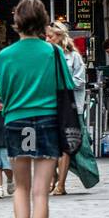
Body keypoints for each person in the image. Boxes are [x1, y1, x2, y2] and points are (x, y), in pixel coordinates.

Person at [0, 0, 72, 218]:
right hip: (48, 122)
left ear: (17, 23)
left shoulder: (5, 55)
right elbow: (66, 86)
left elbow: (3, 94)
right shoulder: (53, 53)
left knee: (21, 188)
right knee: (41, 192)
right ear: (42, 22)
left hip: (17, 122)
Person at [47, 22, 85, 196]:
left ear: (61, 36)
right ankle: (53, 178)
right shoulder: (45, 56)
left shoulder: (73, 56)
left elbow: (80, 81)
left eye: (51, 36)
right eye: (46, 36)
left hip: (69, 105)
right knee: (49, 146)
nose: (47, 39)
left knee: (66, 145)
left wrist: (62, 84)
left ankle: (61, 184)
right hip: (49, 105)